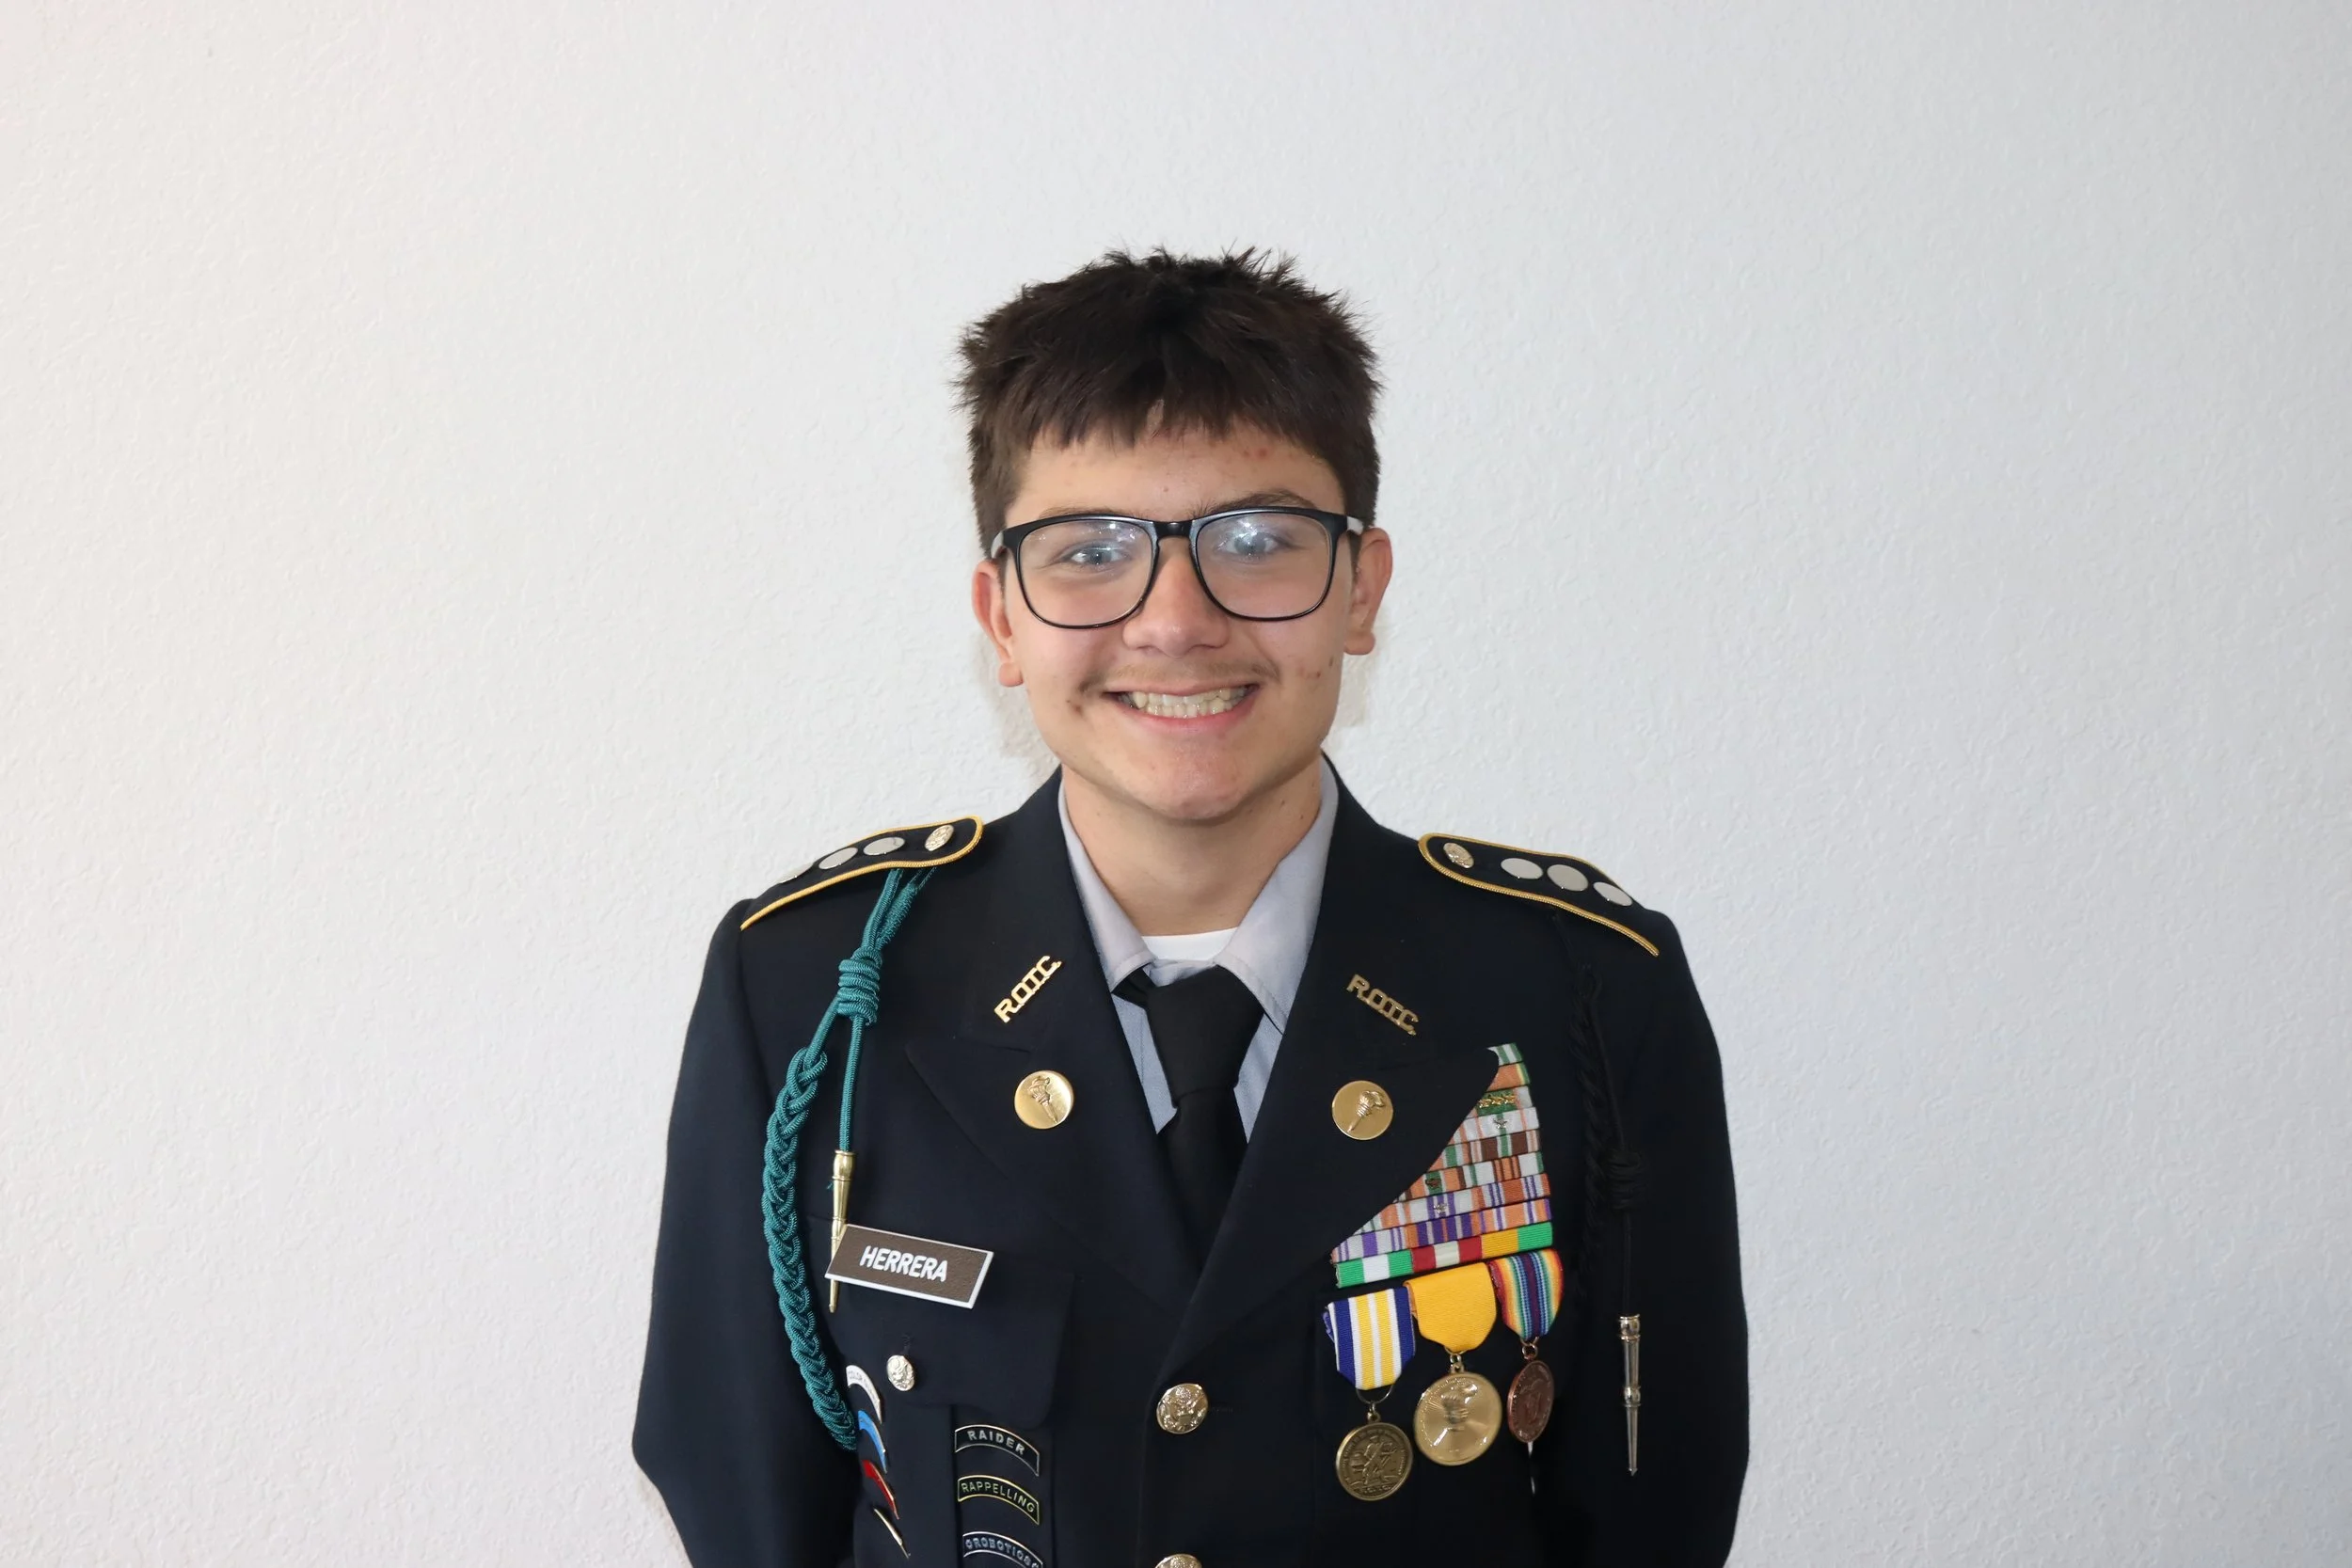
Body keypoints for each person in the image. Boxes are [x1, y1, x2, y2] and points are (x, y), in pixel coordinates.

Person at [634, 250, 1748, 1568]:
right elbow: (745, 1501)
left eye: (1258, 540)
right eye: (1089, 551)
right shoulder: (813, 994)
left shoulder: (1578, 995)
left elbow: (1652, 1504)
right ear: (1003, 617)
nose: (1174, 620)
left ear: (1362, 589)